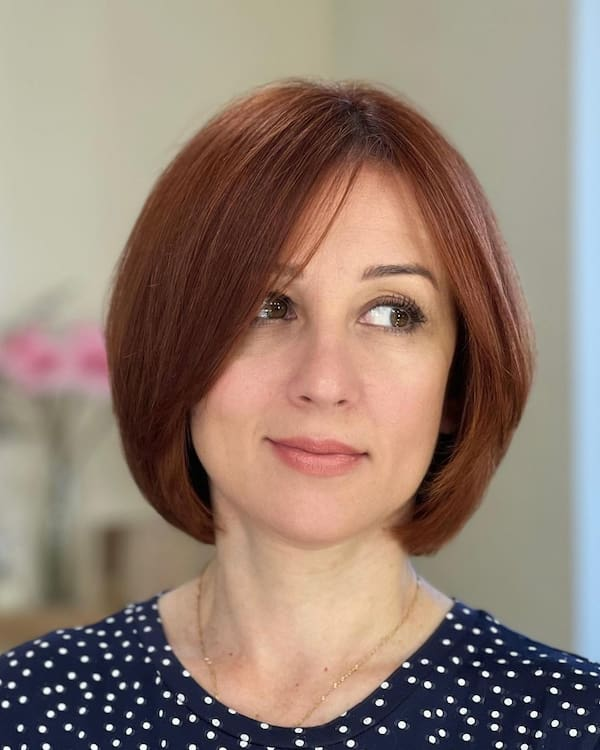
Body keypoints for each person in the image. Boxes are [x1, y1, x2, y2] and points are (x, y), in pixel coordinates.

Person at [1, 76, 599, 749]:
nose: (324, 381)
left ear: (456, 386)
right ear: (175, 350)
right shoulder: (23, 709)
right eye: (267, 307)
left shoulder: (572, 723)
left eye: (392, 313)